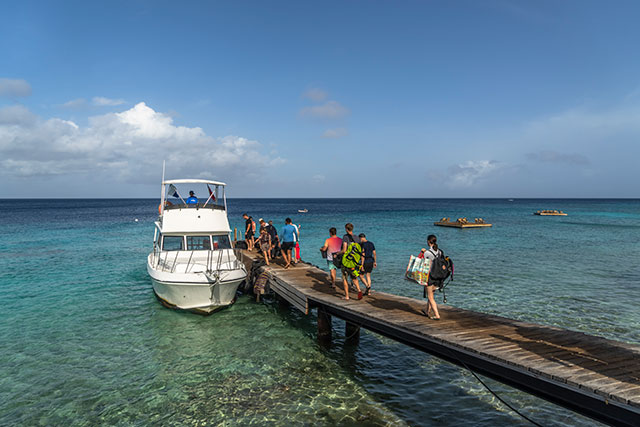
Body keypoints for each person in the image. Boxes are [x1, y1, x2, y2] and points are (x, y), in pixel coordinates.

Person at [420, 234, 442, 320]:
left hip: (430, 276)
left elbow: (422, 261)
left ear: (429, 242)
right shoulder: (439, 251)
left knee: (430, 297)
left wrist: (422, 252)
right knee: (431, 294)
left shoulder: (427, 253)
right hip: (438, 276)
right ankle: (427, 311)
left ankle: (437, 315)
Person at [340, 223, 363, 300]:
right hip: (354, 261)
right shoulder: (357, 238)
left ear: (346, 229)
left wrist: (337, 253)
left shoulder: (345, 237)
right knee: (354, 277)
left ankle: (347, 296)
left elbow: (344, 250)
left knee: (345, 278)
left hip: (346, 262)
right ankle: (359, 290)